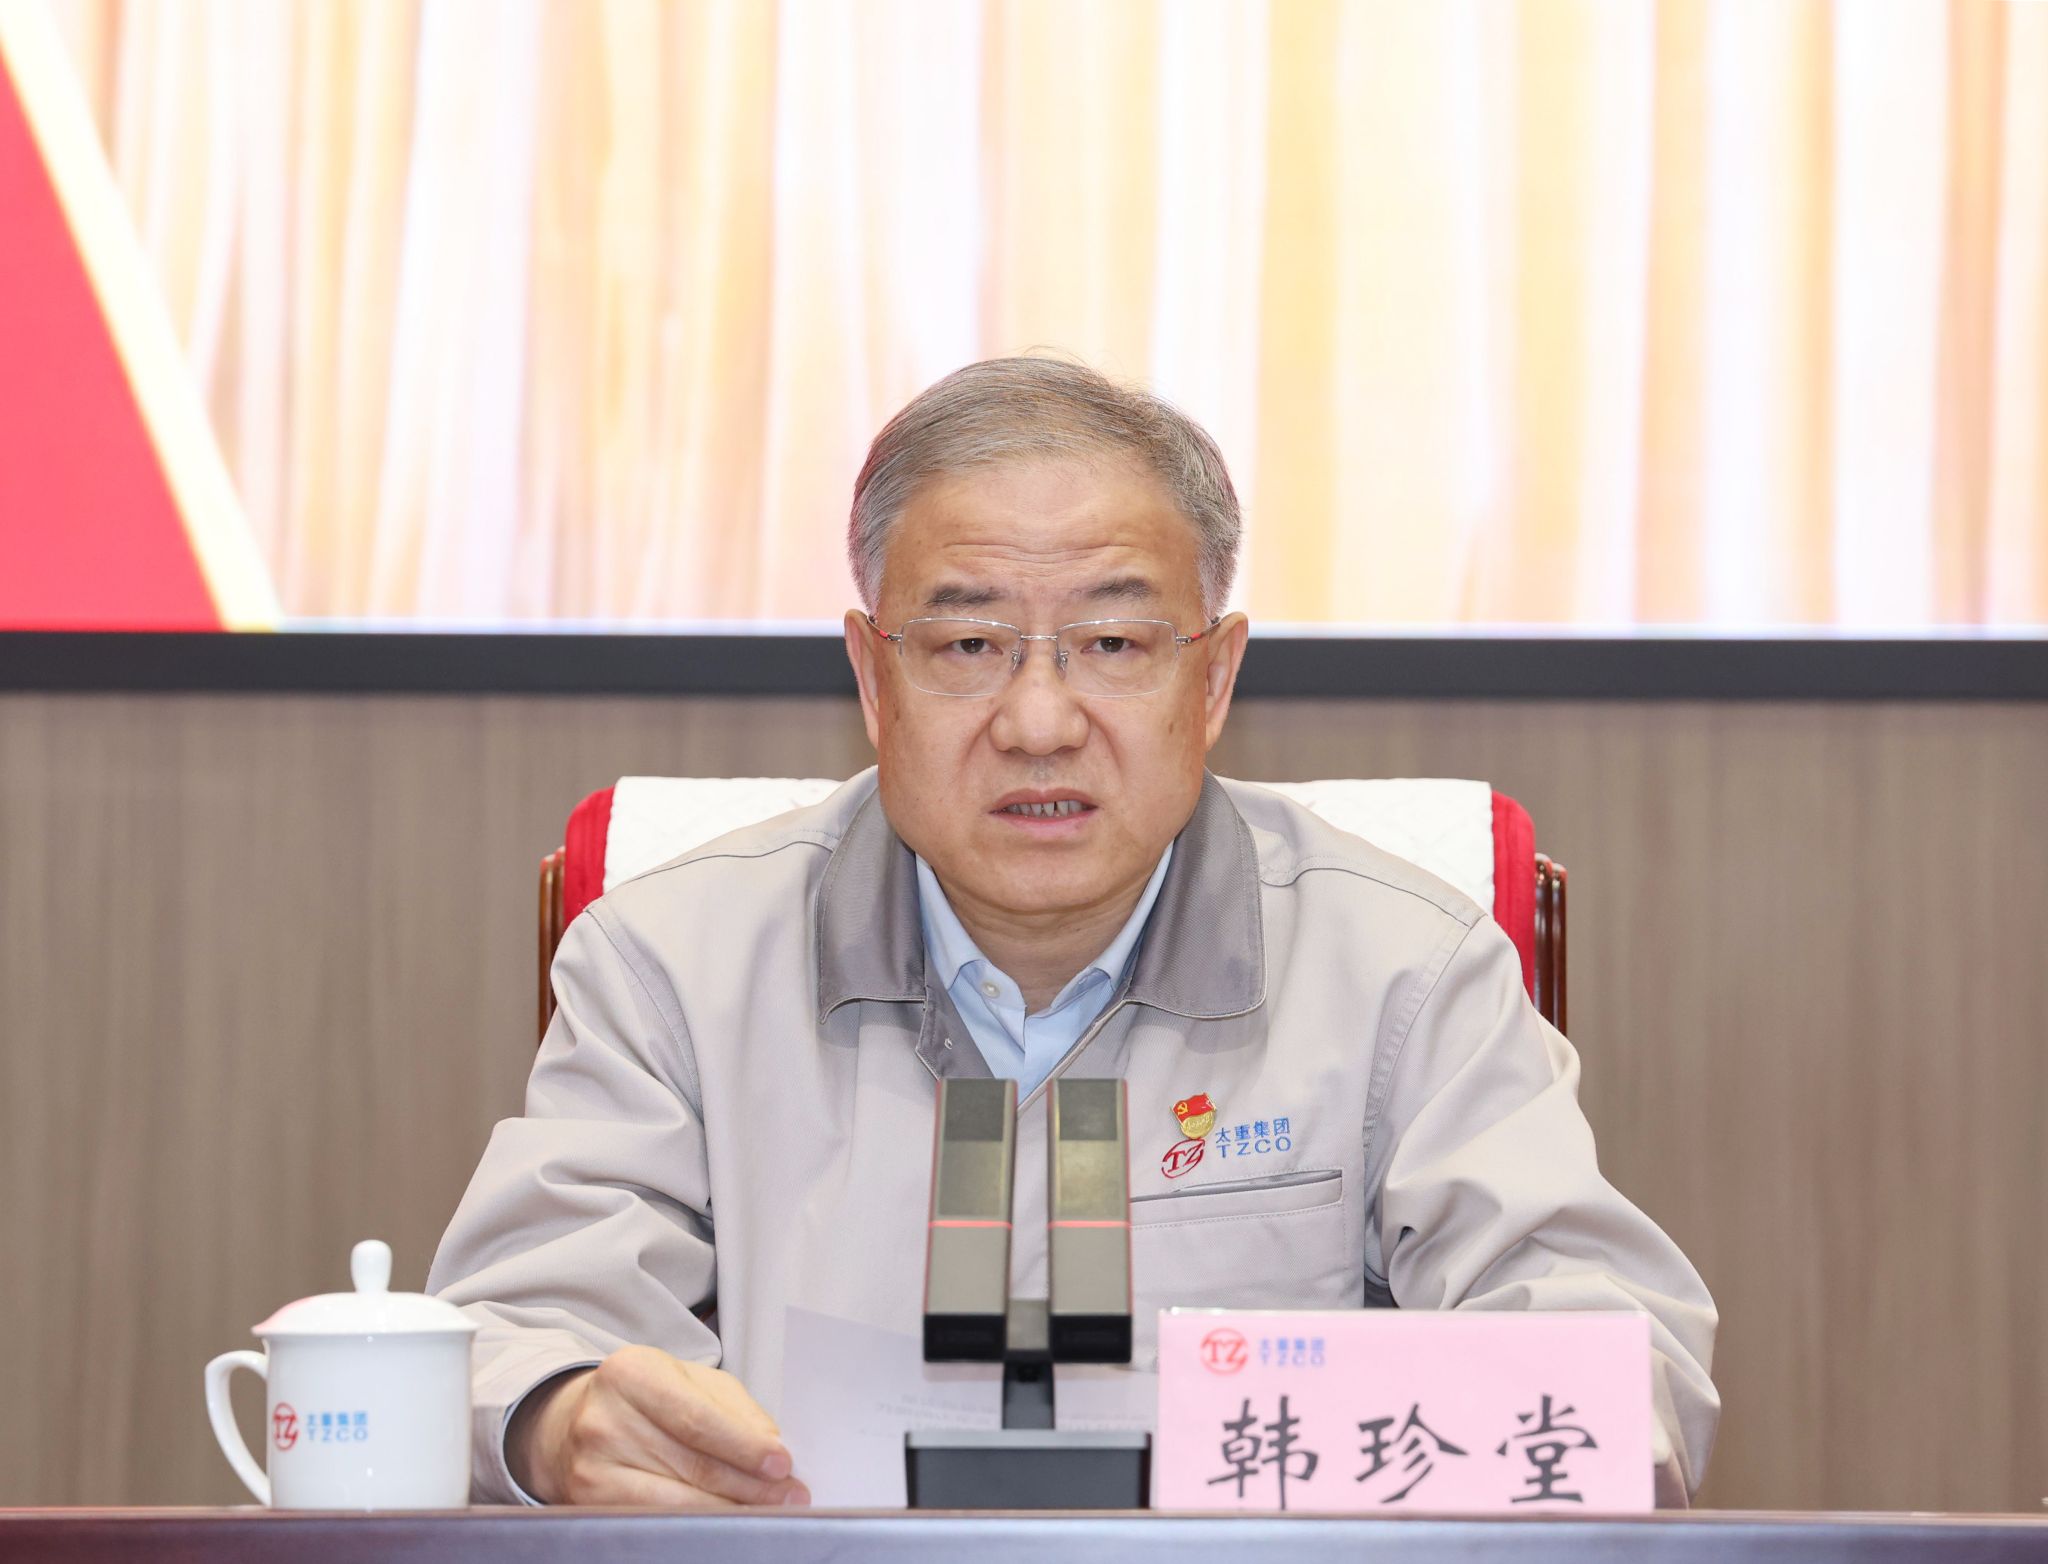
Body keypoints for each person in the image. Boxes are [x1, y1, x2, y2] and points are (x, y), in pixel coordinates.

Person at [428, 356, 1719, 1508]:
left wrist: (1294, 1434)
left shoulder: (1405, 972)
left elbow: (1625, 1377)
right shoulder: (671, 962)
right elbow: (504, 1340)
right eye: (968, 643)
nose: (1039, 722)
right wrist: (563, 1423)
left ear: (1213, 678)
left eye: (1111, 641)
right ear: (872, 677)